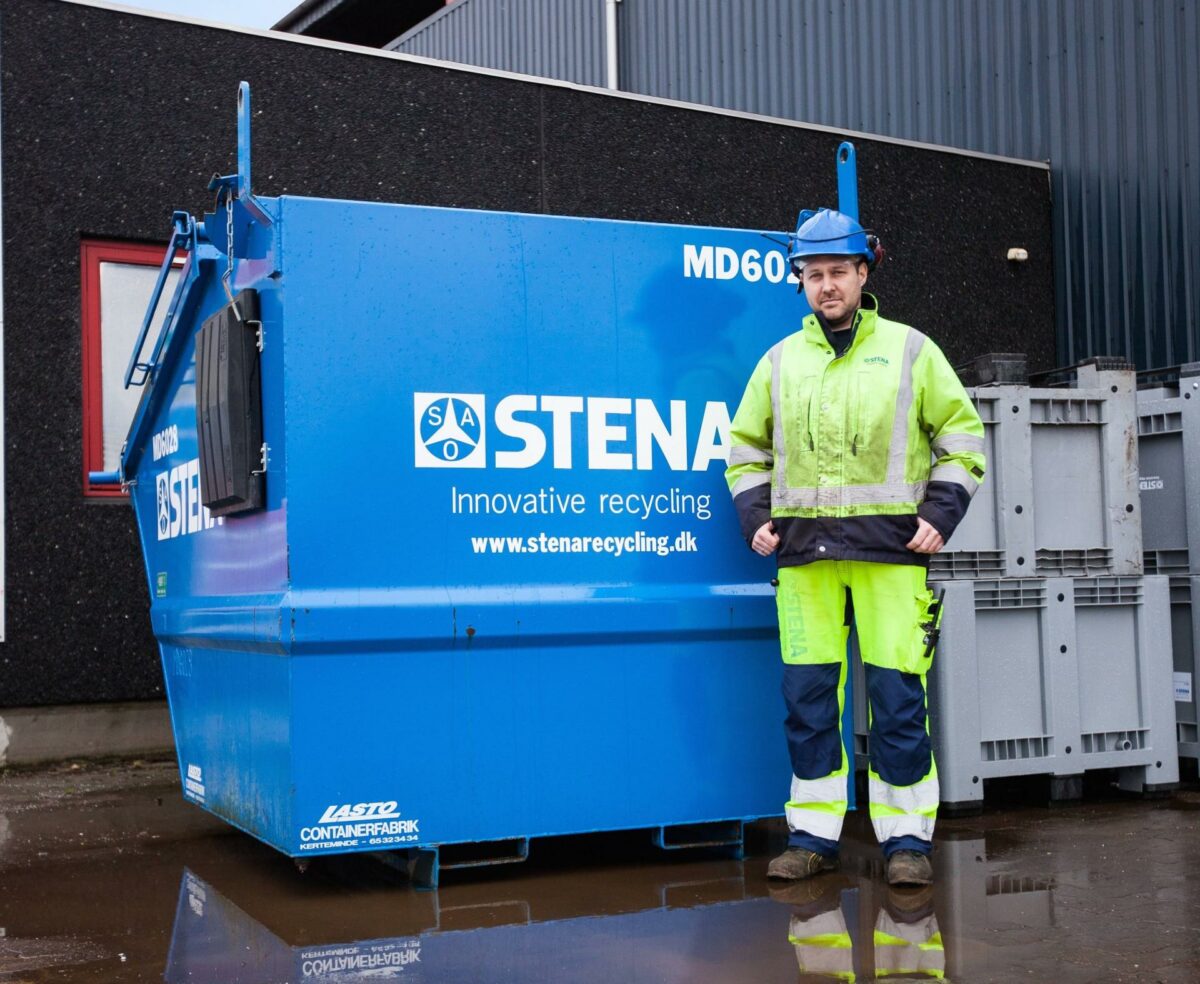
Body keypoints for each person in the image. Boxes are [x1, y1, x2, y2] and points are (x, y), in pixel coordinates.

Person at [725, 208, 985, 887]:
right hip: (806, 561)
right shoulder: (780, 362)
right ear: (801, 283)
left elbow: (963, 438)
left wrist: (941, 512)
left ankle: (906, 844)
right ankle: (812, 835)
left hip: (893, 556)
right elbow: (746, 449)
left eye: (838, 271)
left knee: (898, 701)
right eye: (813, 275)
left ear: (863, 273)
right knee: (809, 701)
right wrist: (755, 515)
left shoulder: (910, 350)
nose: (826, 285)